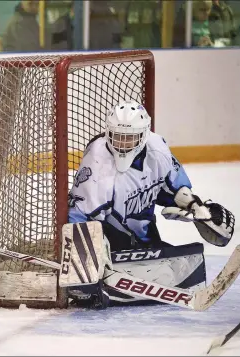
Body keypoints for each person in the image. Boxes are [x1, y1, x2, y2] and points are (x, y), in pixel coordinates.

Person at [66, 99, 235, 309]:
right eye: (118, 137)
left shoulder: (158, 148)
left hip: (144, 235)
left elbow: (171, 187)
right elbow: (78, 216)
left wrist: (195, 207)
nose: (123, 144)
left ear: (144, 134)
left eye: (130, 138)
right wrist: (83, 261)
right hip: (112, 242)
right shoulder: (98, 166)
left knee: (182, 269)